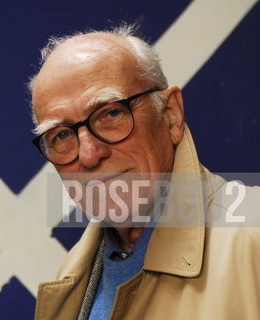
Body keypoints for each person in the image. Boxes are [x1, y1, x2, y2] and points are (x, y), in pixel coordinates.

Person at [29, 25, 260, 320]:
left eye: (111, 113)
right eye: (61, 135)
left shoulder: (253, 235)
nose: (88, 155)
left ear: (170, 115)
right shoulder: (71, 275)